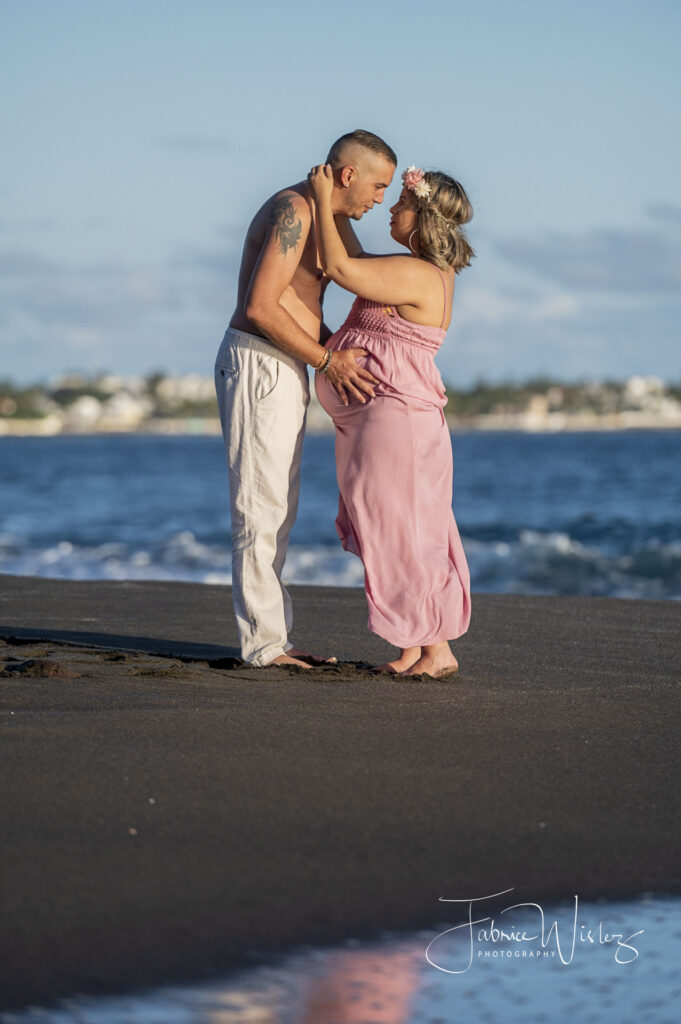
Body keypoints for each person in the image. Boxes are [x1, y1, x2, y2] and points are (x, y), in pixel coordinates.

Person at [214, 130, 397, 669]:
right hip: (259, 360)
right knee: (260, 507)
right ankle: (265, 647)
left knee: (280, 507)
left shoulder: (329, 216)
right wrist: (327, 360)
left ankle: (275, 639)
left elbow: (364, 278)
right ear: (347, 175)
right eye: (379, 185)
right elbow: (260, 308)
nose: (380, 198)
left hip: (287, 362)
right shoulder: (294, 209)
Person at [309, 162, 475, 678]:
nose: (391, 209)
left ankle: (437, 650)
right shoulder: (422, 268)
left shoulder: (418, 273)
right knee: (405, 529)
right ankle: (414, 646)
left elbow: (340, 268)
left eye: (402, 205)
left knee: (406, 531)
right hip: (392, 422)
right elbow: (355, 257)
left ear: (423, 218)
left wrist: (319, 198)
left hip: (396, 423)